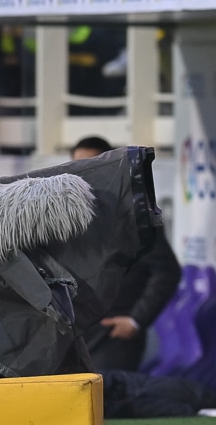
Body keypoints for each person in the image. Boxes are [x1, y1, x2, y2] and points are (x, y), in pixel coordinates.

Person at [71, 136, 182, 372]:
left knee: (110, 394)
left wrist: (136, 319)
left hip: (113, 337)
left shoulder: (134, 215)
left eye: (90, 166)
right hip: (77, 335)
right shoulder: (65, 216)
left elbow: (166, 271)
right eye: (76, 166)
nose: (82, 174)